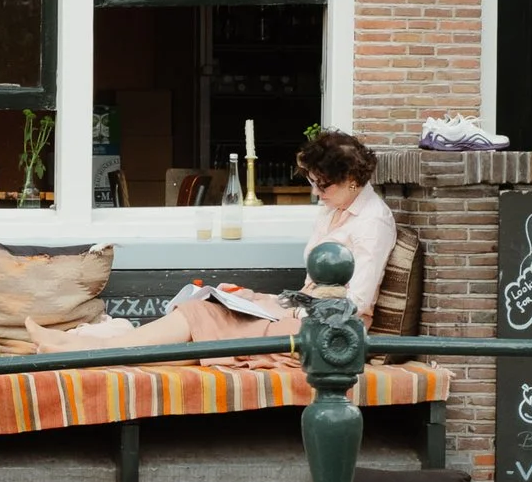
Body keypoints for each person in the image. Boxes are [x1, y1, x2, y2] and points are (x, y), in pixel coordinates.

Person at [27, 129, 397, 354]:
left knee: (202, 314)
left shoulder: (372, 223)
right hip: (304, 310)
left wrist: (288, 309)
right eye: (312, 182)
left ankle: (88, 347)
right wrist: (270, 300)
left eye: (323, 184)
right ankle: (87, 344)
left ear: (352, 178)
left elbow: (355, 302)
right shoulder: (334, 207)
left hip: (330, 331)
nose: (316, 193)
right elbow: (312, 287)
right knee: (212, 298)